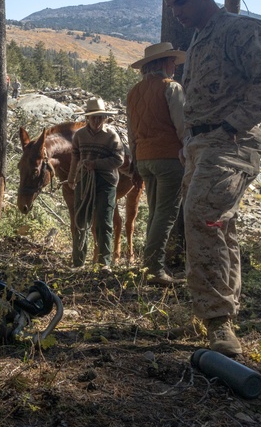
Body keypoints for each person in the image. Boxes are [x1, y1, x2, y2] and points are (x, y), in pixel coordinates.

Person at [158, 0, 261, 356]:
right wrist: (189, 141)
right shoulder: (198, 41)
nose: (177, 12)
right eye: (171, 7)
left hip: (231, 145)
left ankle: (219, 324)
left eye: (181, 1)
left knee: (202, 215)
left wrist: (233, 125)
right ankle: (220, 311)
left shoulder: (241, 30)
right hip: (203, 147)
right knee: (217, 225)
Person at [126, 42, 187, 285]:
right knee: (166, 214)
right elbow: (182, 125)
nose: (174, 65)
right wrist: (189, 150)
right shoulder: (171, 88)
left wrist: (135, 160)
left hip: (144, 159)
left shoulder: (134, 92)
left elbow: (131, 131)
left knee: (155, 212)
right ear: (162, 63)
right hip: (169, 158)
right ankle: (153, 269)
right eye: (172, 61)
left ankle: (147, 265)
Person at [67, 98, 125, 268]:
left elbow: (119, 159)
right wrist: (72, 178)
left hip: (106, 182)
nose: (97, 120)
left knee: (103, 222)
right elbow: (75, 157)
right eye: (94, 117)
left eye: (101, 117)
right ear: (88, 118)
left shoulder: (111, 136)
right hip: (84, 180)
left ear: (105, 118)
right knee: (80, 221)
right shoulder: (79, 135)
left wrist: (97, 164)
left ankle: (104, 263)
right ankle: (78, 262)